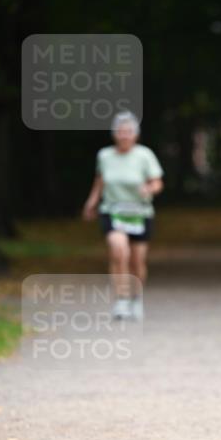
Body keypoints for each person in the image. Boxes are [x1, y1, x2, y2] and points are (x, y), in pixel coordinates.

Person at [82, 111, 164, 320]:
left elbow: (157, 182)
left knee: (137, 261)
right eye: (121, 131)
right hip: (113, 210)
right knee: (119, 251)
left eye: (128, 131)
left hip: (139, 212)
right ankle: (121, 299)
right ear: (114, 134)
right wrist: (92, 202)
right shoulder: (105, 155)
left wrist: (149, 189)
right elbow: (100, 181)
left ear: (135, 134)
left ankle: (136, 298)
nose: (124, 135)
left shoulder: (144, 155)